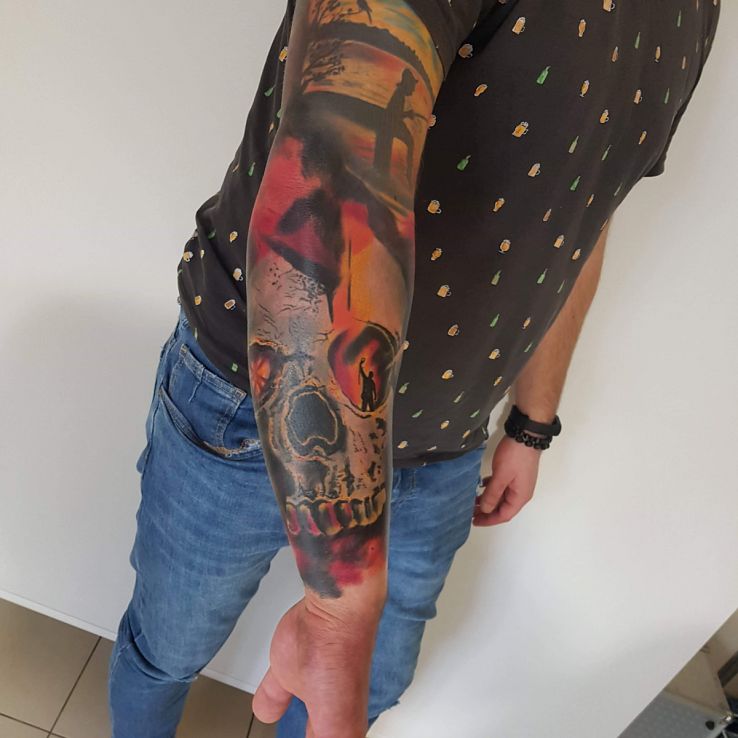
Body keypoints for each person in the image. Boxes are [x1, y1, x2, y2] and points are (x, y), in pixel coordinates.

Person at [108, 0, 721, 736]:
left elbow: (583, 219)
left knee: (359, 694)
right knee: (166, 650)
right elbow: (329, 175)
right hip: (245, 401)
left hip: (446, 444)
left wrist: (532, 422)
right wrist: (341, 609)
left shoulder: (699, 10)